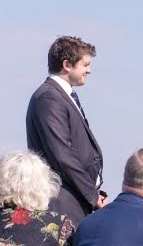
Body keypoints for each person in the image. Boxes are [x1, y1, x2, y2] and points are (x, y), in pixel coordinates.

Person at [26, 36, 106, 226]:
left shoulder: (62, 95)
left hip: (74, 199)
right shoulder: (49, 97)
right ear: (67, 64)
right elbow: (62, 155)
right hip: (60, 204)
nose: (89, 70)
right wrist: (92, 195)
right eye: (85, 64)